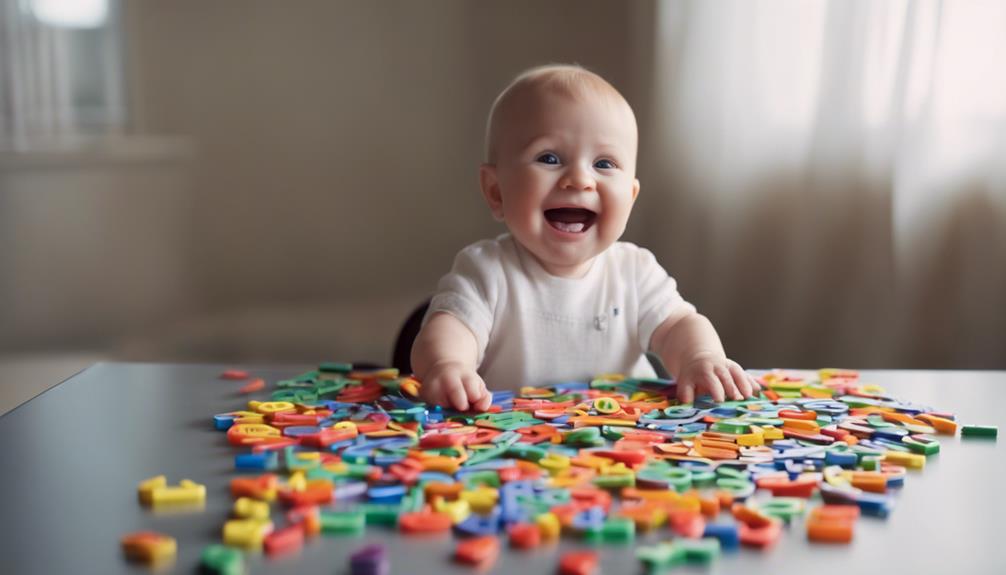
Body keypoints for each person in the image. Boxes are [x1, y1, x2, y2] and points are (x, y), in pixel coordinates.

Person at [411, 64, 758, 412]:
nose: (579, 179)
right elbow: (451, 328)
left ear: (631, 198)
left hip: (626, 442)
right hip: (513, 445)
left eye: (604, 164)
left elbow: (679, 325)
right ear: (496, 191)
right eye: (549, 158)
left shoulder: (634, 271)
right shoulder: (487, 269)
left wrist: (701, 357)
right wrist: (448, 366)